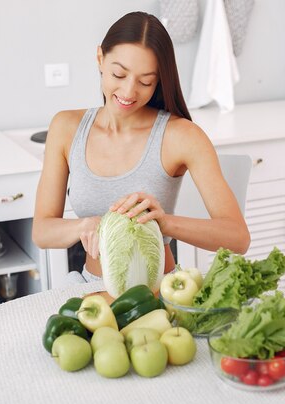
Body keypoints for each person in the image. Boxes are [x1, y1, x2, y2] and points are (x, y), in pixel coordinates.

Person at [32, 11, 250, 282]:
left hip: (161, 291)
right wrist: (84, 226)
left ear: (159, 81)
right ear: (100, 58)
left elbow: (238, 238)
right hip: (90, 289)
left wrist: (164, 223)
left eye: (145, 81)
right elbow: (42, 231)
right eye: (118, 74)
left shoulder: (181, 136)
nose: (128, 92)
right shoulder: (66, 127)